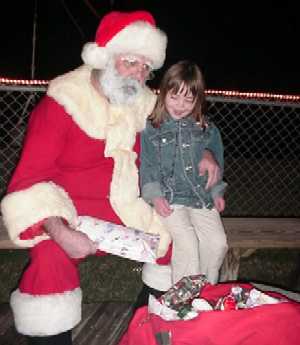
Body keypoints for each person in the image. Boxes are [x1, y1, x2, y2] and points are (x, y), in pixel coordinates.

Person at [0, 11, 220, 345]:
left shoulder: (145, 106)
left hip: (127, 208)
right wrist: (59, 229)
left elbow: (183, 132)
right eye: (131, 62)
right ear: (105, 57)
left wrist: (203, 153)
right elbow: (29, 181)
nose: (139, 74)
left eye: (146, 67)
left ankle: (147, 328)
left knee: (176, 243)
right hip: (69, 212)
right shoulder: (61, 105)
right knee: (49, 262)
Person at [140, 60, 228, 288]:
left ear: (198, 99)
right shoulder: (152, 127)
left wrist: (217, 191)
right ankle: (184, 300)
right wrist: (155, 196)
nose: (180, 105)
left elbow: (216, 162)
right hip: (170, 199)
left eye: (188, 99)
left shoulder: (207, 128)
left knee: (217, 243)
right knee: (187, 242)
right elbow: (147, 165)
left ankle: (205, 291)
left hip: (201, 197)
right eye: (174, 97)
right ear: (163, 92)